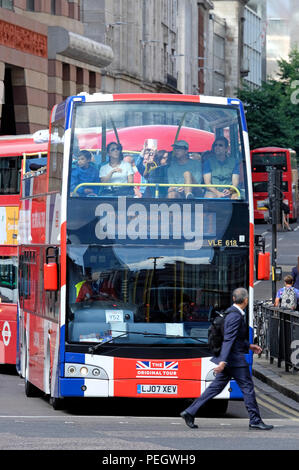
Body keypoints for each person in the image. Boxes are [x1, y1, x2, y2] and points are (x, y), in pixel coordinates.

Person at [180, 287, 274, 431]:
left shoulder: (231, 313)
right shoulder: (235, 316)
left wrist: (249, 346)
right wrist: (223, 361)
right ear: (246, 300)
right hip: (234, 360)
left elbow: (234, 339)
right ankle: (255, 420)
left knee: (215, 388)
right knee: (248, 389)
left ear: (234, 299)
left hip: (230, 359)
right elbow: (228, 339)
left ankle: (190, 412)